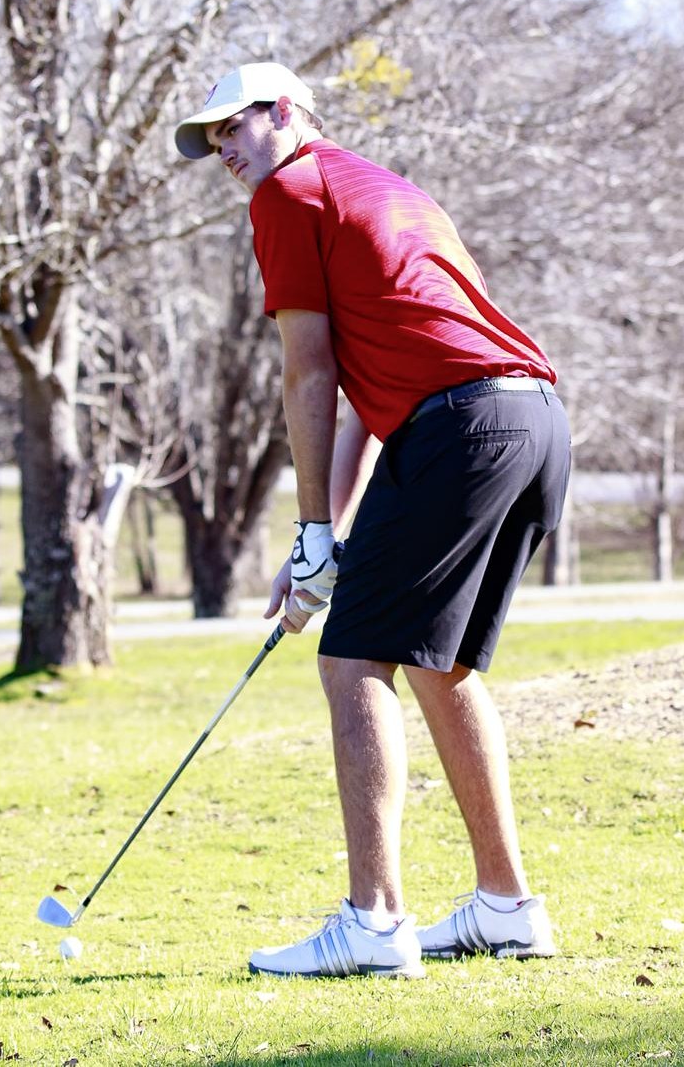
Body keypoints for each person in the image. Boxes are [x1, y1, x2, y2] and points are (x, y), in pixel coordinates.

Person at [175, 62, 572, 979]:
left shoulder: (288, 192)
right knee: (445, 667)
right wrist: (326, 535)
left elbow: (308, 373)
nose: (226, 149)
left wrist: (314, 534)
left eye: (236, 125)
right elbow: (364, 400)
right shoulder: (384, 189)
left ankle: (374, 922)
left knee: (354, 659)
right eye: (213, 140)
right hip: (532, 419)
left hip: (462, 424)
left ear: (287, 112)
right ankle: (506, 908)